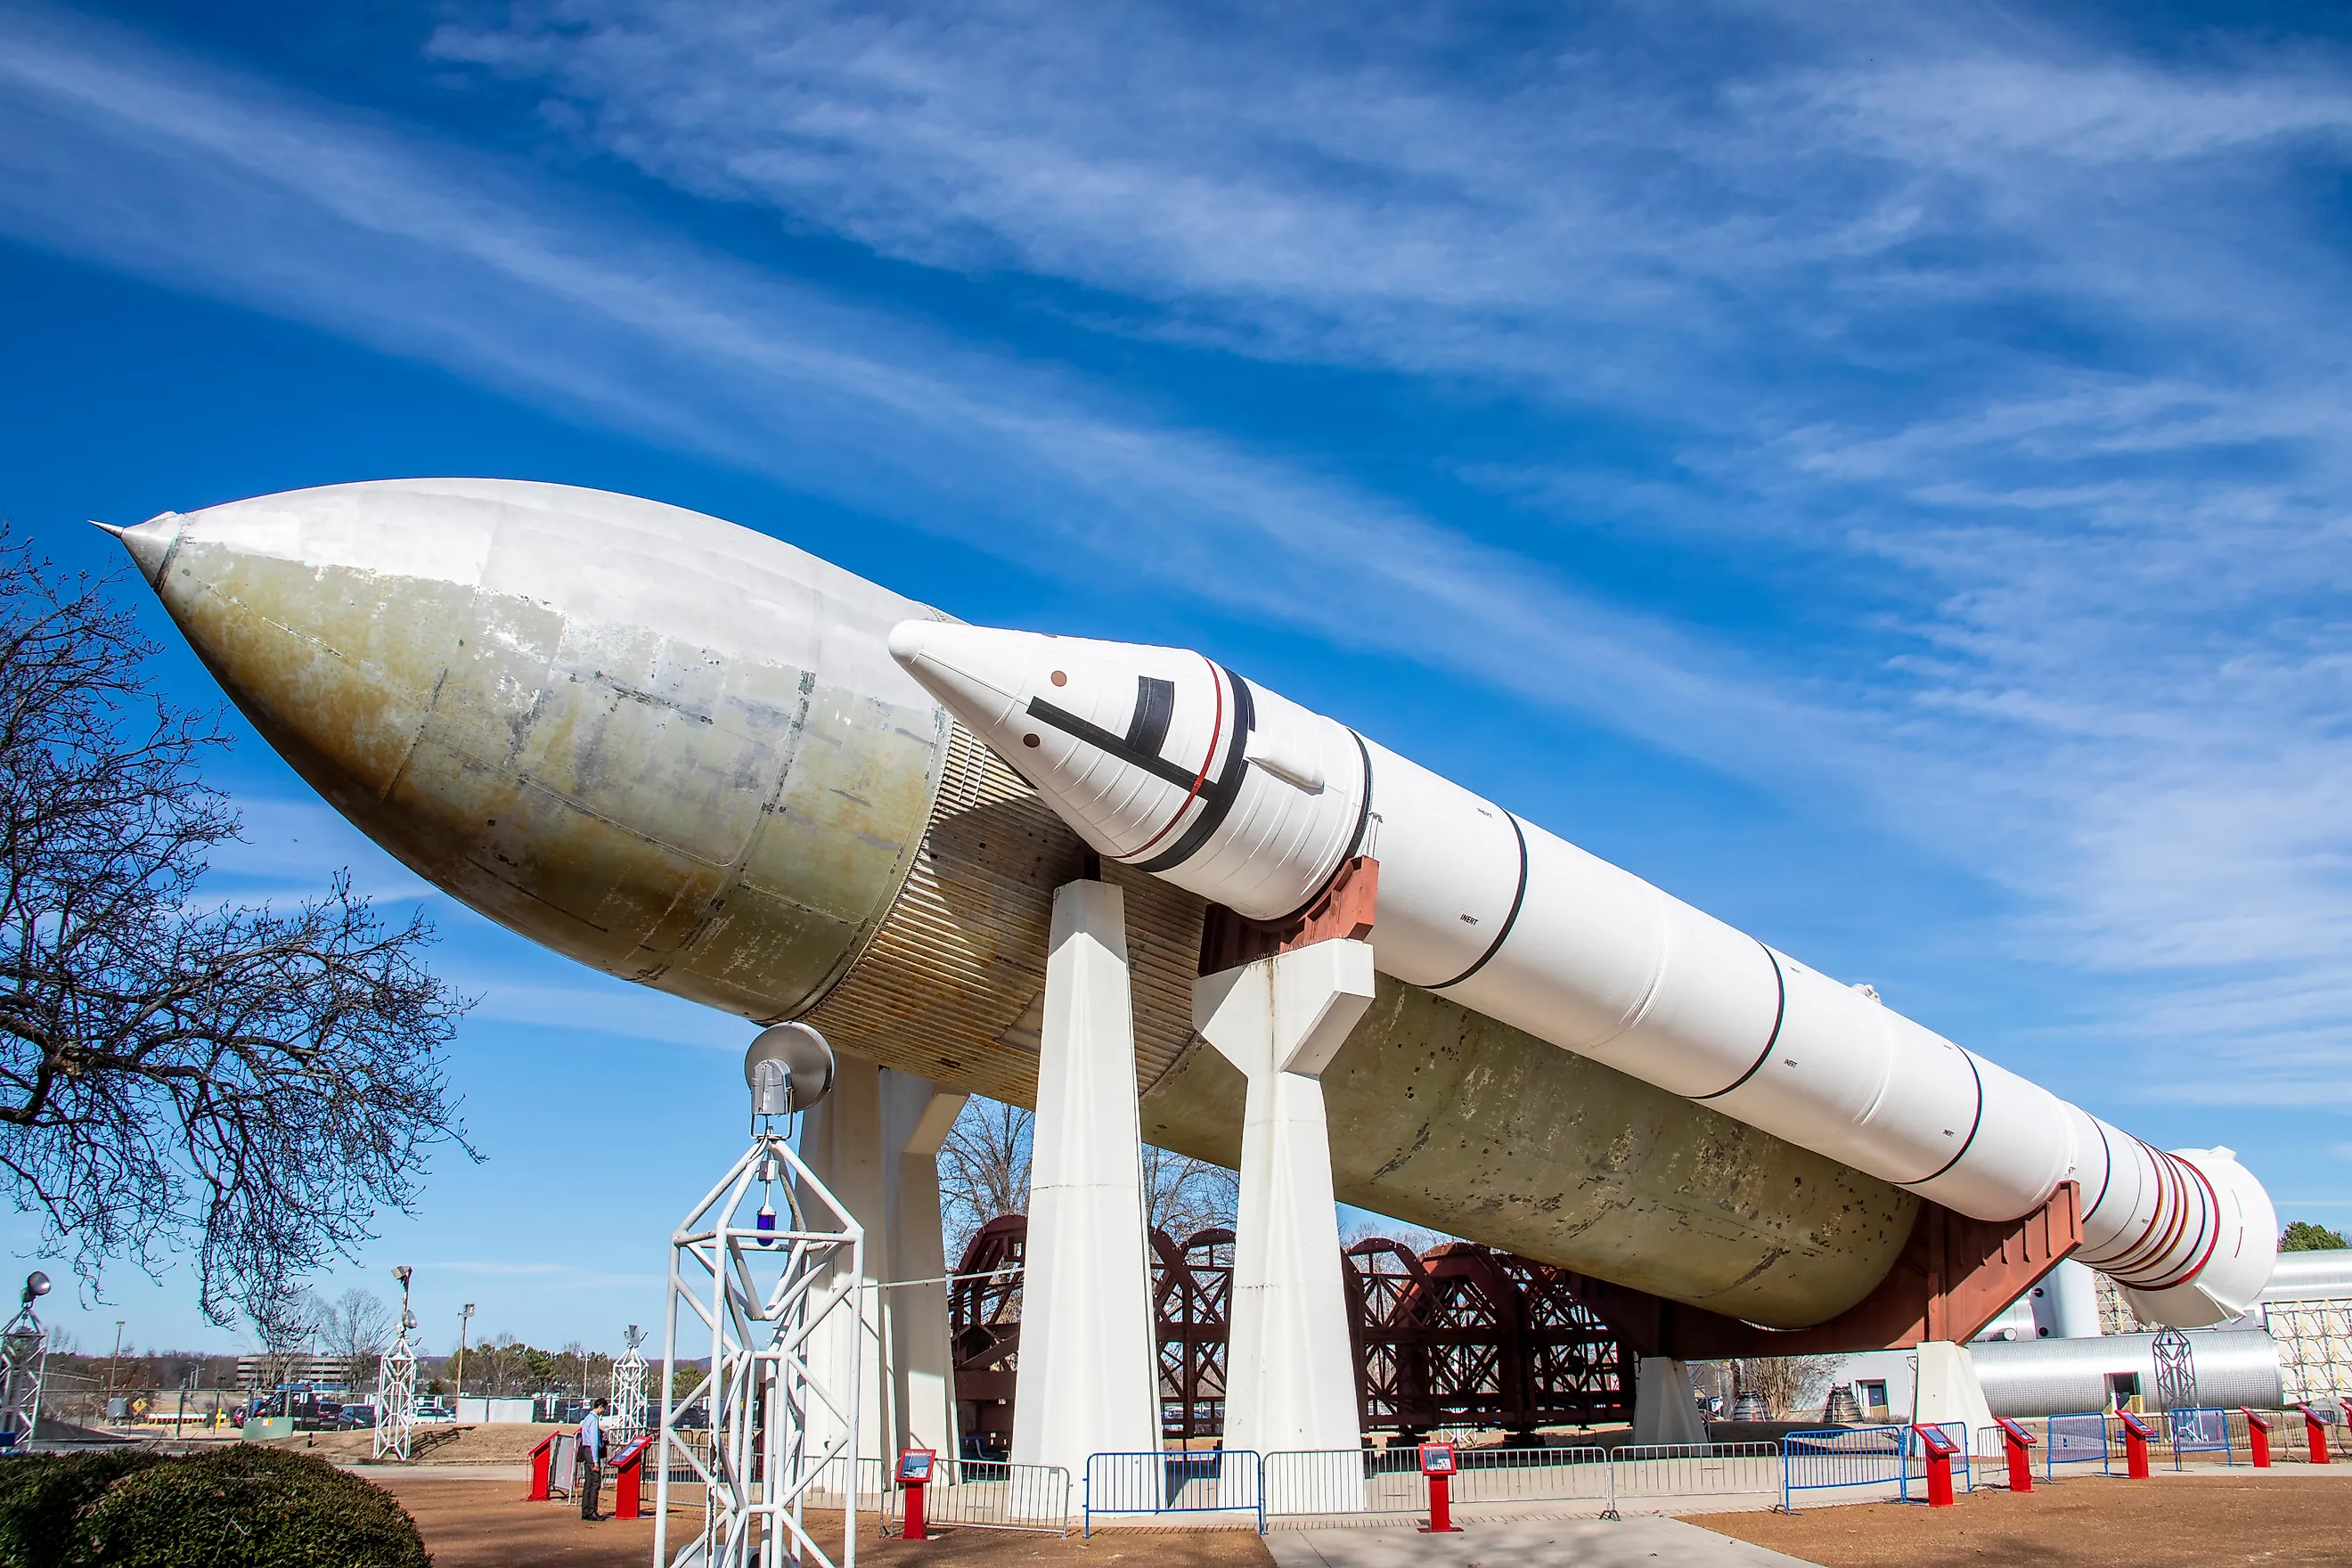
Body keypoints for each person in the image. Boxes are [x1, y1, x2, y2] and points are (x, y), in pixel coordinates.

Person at [577, 1398, 608, 1521]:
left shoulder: (586, 1419)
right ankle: (592, 1510)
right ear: (600, 1407)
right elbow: (594, 1441)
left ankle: (585, 1510)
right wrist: (596, 1461)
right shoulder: (594, 1420)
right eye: (603, 1409)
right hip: (591, 1452)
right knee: (595, 1483)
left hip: (585, 1450)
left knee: (588, 1483)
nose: (603, 1411)